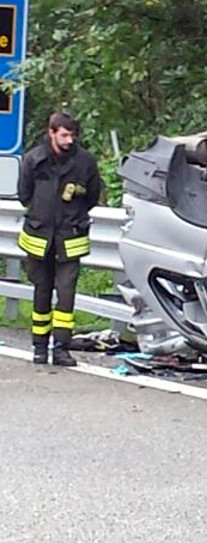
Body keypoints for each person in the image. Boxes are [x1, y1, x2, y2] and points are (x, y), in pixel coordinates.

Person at [17, 112, 103, 366]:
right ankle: (39, 347)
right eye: (64, 135)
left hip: (71, 237)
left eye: (72, 135)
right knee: (42, 291)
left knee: (66, 294)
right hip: (39, 236)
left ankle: (62, 349)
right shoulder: (34, 159)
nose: (69, 140)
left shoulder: (84, 162)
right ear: (52, 133)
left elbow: (93, 196)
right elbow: (24, 195)